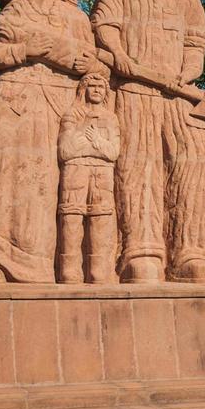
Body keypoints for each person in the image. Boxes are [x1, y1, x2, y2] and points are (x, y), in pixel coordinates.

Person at [91, 0, 205, 284]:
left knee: (192, 167)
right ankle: (141, 250)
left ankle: (190, 251)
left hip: (179, 99)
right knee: (137, 168)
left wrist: (186, 74)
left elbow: (196, 40)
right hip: (133, 94)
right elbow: (104, 31)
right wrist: (124, 59)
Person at [0, 0, 101, 282]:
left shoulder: (76, 17)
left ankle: (50, 263)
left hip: (60, 105)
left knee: (51, 182)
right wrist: (24, 51)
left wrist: (75, 59)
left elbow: (90, 62)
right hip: (13, 99)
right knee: (6, 175)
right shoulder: (13, 12)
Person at [56, 72, 121, 283]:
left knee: (101, 217)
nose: (96, 90)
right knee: (71, 216)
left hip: (102, 172)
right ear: (83, 89)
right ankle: (70, 269)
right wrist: (90, 140)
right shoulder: (72, 115)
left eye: (100, 87)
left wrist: (96, 141)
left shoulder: (111, 118)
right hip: (75, 170)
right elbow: (66, 151)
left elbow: (113, 152)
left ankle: (99, 269)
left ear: (105, 92)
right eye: (92, 86)